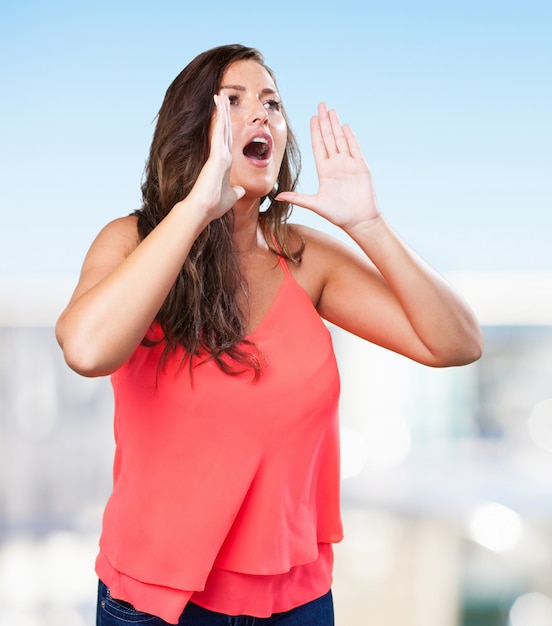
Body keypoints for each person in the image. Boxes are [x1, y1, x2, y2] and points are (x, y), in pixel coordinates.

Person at [56, 44, 483, 626]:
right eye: (234, 100)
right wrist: (196, 209)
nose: (261, 114)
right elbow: (85, 350)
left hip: (297, 602)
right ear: (192, 129)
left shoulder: (304, 258)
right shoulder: (133, 241)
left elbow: (456, 343)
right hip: (157, 605)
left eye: (272, 103)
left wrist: (368, 225)